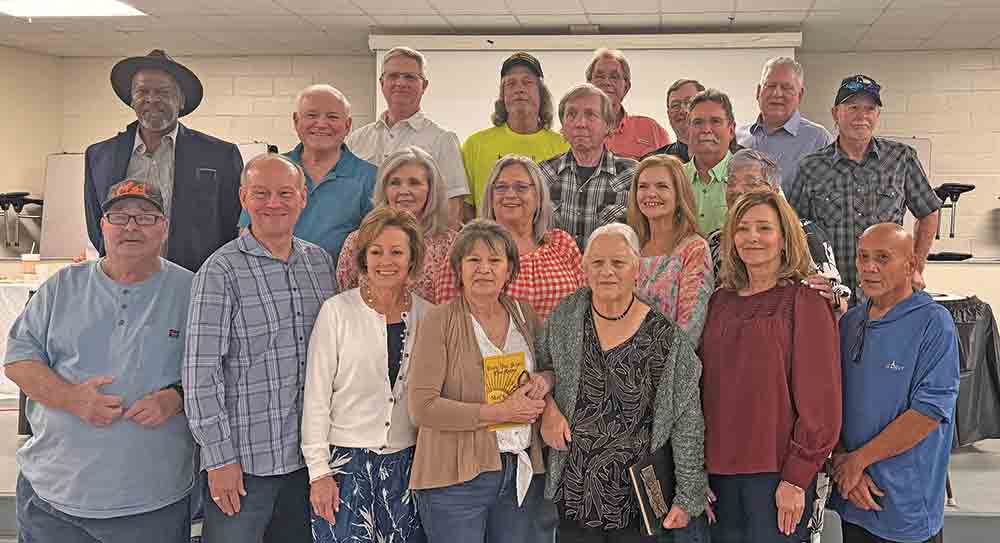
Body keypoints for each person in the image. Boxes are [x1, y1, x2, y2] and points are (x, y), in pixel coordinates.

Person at [6, 180, 194, 542]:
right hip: (52, 505)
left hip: (151, 506)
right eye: (119, 216)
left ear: (165, 227)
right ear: (102, 226)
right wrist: (72, 399)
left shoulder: (192, 291)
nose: (131, 226)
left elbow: (220, 370)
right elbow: (19, 360)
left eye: (146, 217)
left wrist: (175, 398)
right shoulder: (61, 287)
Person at [184, 154, 338, 542]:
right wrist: (218, 458)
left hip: (308, 461)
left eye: (285, 193)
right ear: (243, 197)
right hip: (245, 464)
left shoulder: (319, 264)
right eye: (262, 193)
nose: (274, 203)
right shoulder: (219, 272)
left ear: (303, 198)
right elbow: (201, 374)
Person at [537, 223, 709, 542]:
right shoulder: (565, 317)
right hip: (575, 492)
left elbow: (688, 421)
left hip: (638, 499)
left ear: (636, 271)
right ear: (585, 268)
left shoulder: (665, 337)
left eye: (618, 263)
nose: (607, 272)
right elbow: (539, 371)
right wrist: (548, 409)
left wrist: (687, 496)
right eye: (597, 263)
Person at [699, 191, 842, 542]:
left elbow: (820, 400)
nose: (752, 237)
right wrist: (696, 472)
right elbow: (706, 390)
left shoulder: (804, 300)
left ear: (784, 238)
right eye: (743, 228)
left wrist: (796, 477)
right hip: (719, 476)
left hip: (778, 475)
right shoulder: (720, 301)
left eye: (764, 228)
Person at [408, 220, 555, 543]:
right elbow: (423, 407)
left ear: (510, 269)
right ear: (458, 268)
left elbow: (549, 369)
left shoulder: (524, 314)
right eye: (474, 260)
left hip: (519, 472)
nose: (484, 269)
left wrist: (544, 380)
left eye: (495, 260)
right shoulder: (439, 320)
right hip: (455, 480)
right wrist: (500, 412)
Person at [304, 207, 431, 543]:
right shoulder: (337, 312)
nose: (385, 261)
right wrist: (319, 473)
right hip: (344, 467)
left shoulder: (429, 316)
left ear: (412, 258)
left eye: (396, 252)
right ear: (363, 258)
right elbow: (316, 398)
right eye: (376, 252)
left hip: (408, 466)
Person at [831, 224, 959, 543]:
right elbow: (831, 401)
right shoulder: (850, 324)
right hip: (855, 494)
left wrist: (857, 461)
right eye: (863, 257)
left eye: (883, 258)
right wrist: (844, 462)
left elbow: (928, 413)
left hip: (905, 504)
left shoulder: (933, 324)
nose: (869, 267)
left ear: (910, 265)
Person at [84, 49, 243, 272]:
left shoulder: (220, 156)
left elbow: (231, 225)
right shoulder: (100, 156)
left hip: (196, 280)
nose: (151, 99)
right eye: (142, 92)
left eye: (163, 92)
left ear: (181, 100)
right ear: (131, 99)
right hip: (124, 280)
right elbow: (96, 225)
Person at [789, 75, 942, 305]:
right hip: (834, 300)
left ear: (877, 115)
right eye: (853, 108)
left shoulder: (901, 158)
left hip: (891, 297)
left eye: (870, 109)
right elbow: (795, 228)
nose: (861, 116)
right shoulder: (811, 167)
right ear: (835, 113)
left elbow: (929, 211)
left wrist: (916, 267)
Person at [238, 84, 376, 268]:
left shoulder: (371, 178)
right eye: (311, 115)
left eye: (332, 117)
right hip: (269, 286)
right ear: (296, 121)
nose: (321, 123)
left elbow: (377, 247)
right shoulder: (266, 170)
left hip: (337, 291)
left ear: (348, 125)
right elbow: (246, 236)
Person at [435, 154, 584, 320]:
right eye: (501, 187)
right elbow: (448, 317)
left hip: (561, 345)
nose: (510, 194)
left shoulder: (563, 243)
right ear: (491, 196)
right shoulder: (466, 245)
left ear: (538, 196)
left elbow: (586, 306)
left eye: (521, 187)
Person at [707, 149, 847, 314]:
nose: (737, 190)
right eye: (731, 182)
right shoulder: (716, 241)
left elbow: (838, 301)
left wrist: (834, 298)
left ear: (773, 190)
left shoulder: (806, 234)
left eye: (751, 183)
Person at [346, 46, 470, 226]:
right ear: (382, 83)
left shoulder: (443, 140)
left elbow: (452, 210)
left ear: (424, 85)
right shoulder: (356, 140)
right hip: (366, 246)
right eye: (393, 76)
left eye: (410, 77)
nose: (400, 83)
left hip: (421, 247)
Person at [338, 146, 457, 304]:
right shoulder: (357, 240)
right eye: (395, 183)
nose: (404, 191)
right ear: (384, 188)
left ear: (431, 189)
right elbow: (345, 300)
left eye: (414, 183)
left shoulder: (452, 244)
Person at [462, 52, 569, 215]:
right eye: (511, 84)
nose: (519, 89)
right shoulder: (475, 144)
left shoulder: (564, 146)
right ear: (503, 96)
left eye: (527, 82)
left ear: (541, 93)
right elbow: (466, 209)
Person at [541, 83, 639, 249]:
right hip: (555, 274)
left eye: (590, 115)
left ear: (608, 125)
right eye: (571, 115)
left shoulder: (633, 174)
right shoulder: (542, 174)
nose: (580, 123)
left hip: (610, 273)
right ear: (563, 127)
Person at [626, 155, 713, 340]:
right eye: (643, 186)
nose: (650, 193)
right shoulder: (628, 246)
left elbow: (690, 329)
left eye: (662, 186)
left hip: (668, 360)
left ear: (679, 194)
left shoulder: (694, 249)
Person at [736, 57, 833, 192]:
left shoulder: (818, 140)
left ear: (800, 94)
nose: (777, 93)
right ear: (758, 91)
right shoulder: (737, 137)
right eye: (770, 86)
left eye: (786, 87)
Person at [586, 48, 670, 160]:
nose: (606, 82)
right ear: (588, 85)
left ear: (626, 87)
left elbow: (669, 172)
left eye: (614, 77)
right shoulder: (574, 131)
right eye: (599, 76)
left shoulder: (652, 129)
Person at [683, 89, 737, 235]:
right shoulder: (673, 177)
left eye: (715, 121)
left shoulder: (755, 175)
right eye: (698, 122)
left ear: (731, 130)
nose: (706, 129)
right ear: (688, 130)